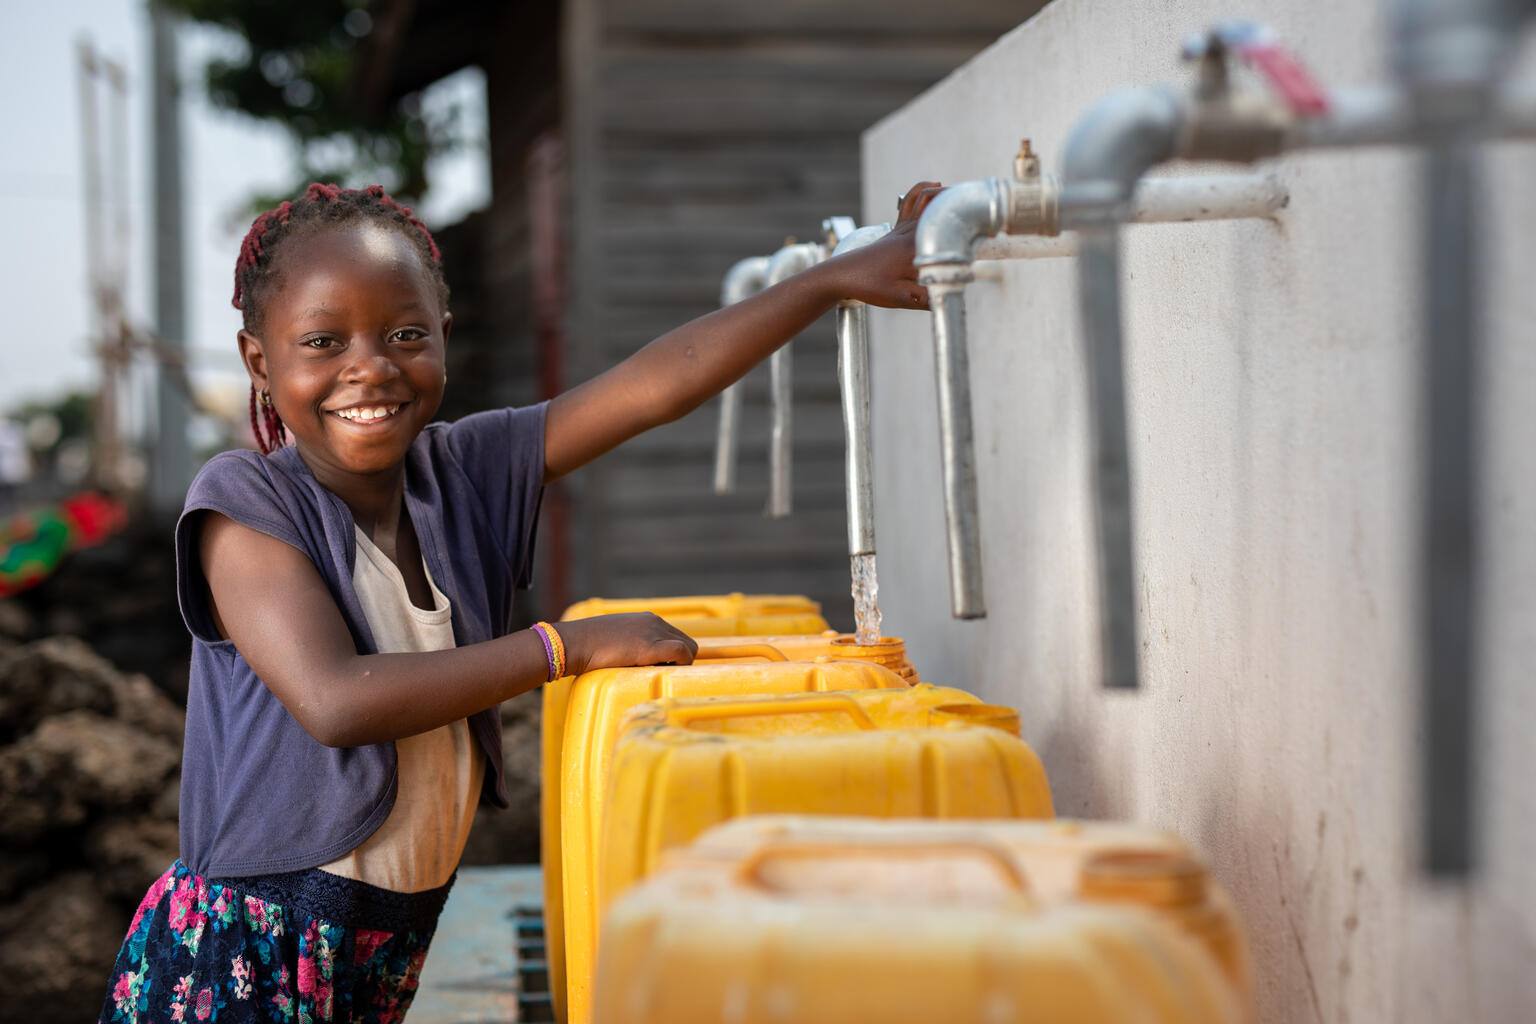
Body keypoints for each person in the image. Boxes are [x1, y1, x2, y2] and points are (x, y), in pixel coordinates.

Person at [99, 179, 941, 1022]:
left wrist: (827, 282)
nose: (370, 368)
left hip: (387, 937)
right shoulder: (245, 502)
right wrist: (561, 650)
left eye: (405, 334)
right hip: (247, 952)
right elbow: (334, 700)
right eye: (322, 341)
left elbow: (654, 386)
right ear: (259, 361)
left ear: (443, 338)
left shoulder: (465, 473)